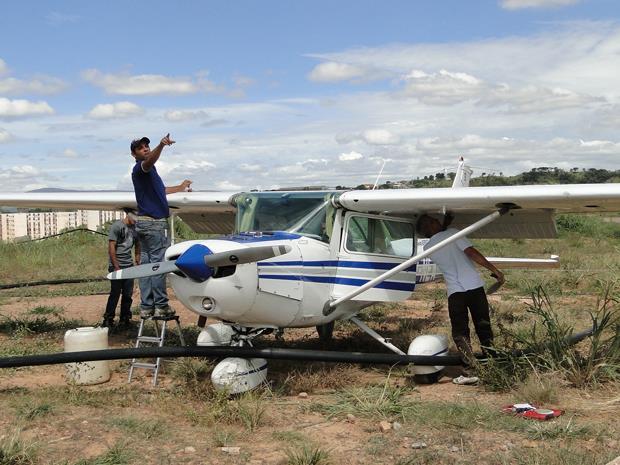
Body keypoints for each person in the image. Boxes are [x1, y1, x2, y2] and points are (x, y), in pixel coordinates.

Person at [416, 214, 505, 384]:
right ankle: (493, 363)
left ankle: (470, 370)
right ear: (428, 227)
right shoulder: (453, 233)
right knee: (483, 326)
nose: (437, 220)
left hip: (456, 292)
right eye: (432, 220)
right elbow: (471, 252)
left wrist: (446, 223)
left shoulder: (428, 247)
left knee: (460, 332)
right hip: (475, 287)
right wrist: (495, 270)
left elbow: (442, 237)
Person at [130, 134, 192, 318]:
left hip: (144, 224)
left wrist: (180, 187)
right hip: (155, 225)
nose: (146, 149)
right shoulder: (141, 168)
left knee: (146, 267)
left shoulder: (148, 173)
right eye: (141, 148)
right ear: (134, 154)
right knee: (158, 266)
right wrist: (162, 145)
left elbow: (161, 191)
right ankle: (161, 306)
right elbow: (148, 161)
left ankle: (146, 307)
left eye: (147, 146)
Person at [102, 210, 140, 328]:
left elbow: (138, 245)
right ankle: (108, 319)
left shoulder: (135, 229)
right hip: (117, 265)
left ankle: (125, 319)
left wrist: (137, 260)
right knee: (115, 293)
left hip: (128, 265)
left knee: (128, 294)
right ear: (128, 215)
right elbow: (111, 248)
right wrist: (116, 266)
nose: (135, 222)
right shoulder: (117, 227)